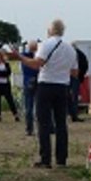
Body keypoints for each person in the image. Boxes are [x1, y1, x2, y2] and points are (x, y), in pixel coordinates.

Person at [18, 19, 76, 168]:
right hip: (63, 86)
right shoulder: (70, 49)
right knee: (61, 123)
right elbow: (75, 72)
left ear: (50, 30)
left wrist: (20, 57)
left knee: (43, 123)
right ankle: (61, 159)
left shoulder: (46, 44)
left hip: (46, 85)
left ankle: (46, 158)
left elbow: (36, 64)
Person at [0, 50, 18, 121]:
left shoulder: (6, 64)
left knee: (9, 99)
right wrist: (2, 73)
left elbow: (8, 73)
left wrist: (0, 74)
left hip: (5, 84)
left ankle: (15, 114)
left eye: (1, 57)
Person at [20, 40, 40, 136]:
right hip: (38, 81)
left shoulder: (24, 56)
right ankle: (45, 127)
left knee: (29, 107)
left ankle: (29, 128)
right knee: (41, 106)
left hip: (28, 82)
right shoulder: (38, 56)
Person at [70, 45, 88, 122]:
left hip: (72, 77)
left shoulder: (76, 54)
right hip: (75, 77)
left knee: (71, 96)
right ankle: (74, 115)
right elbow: (85, 65)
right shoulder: (81, 54)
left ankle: (72, 114)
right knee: (74, 96)